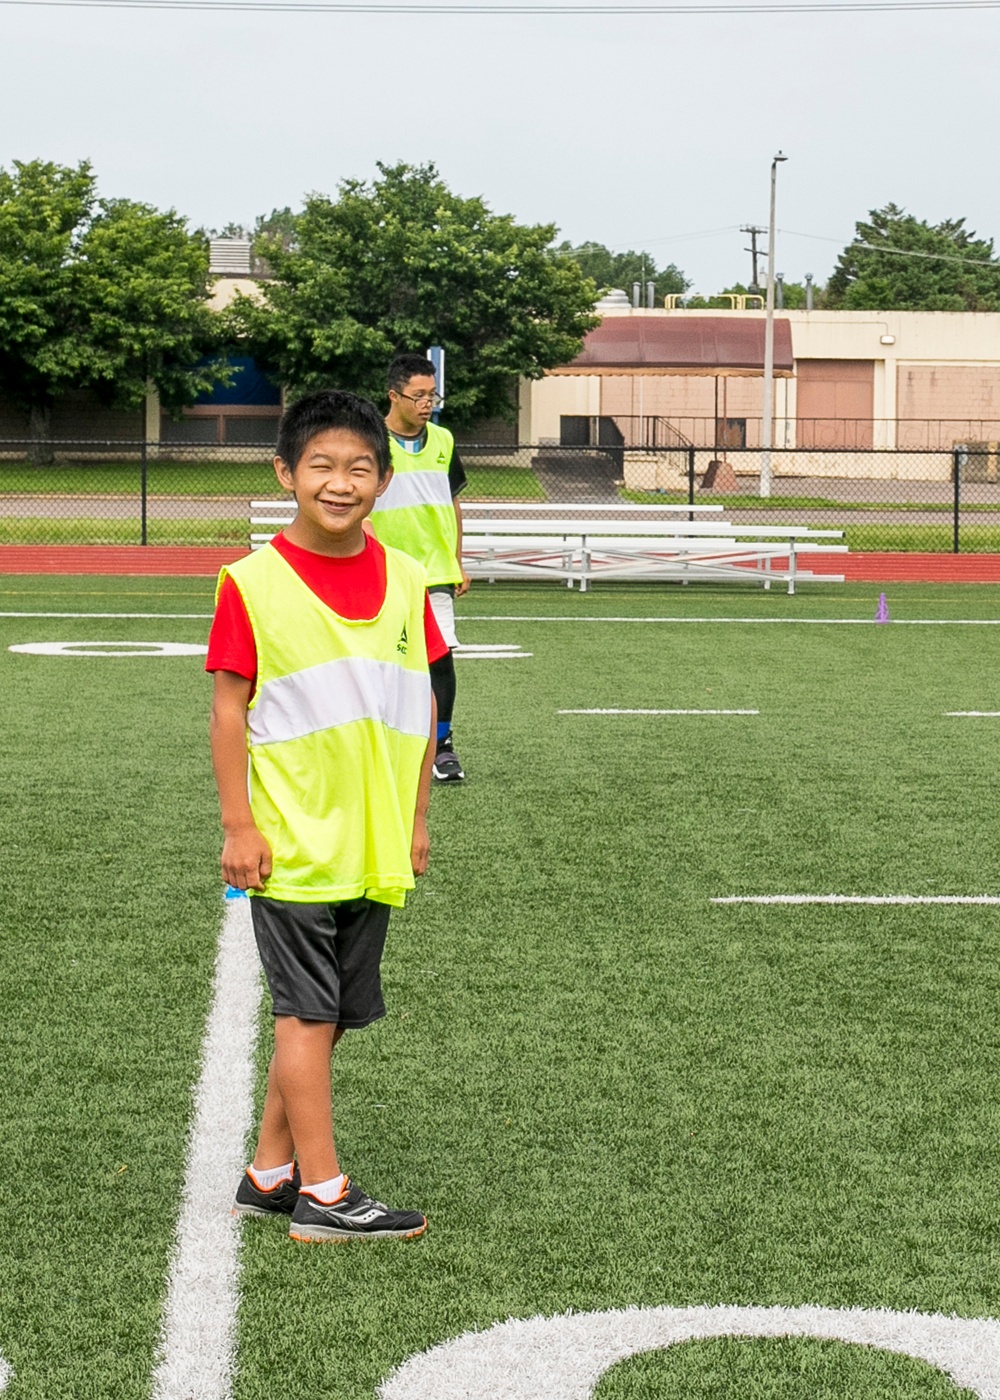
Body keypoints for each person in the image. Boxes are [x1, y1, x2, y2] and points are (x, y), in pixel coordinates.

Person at [206, 389, 447, 1243]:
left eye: (358, 468)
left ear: (383, 479)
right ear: (285, 473)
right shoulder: (252, 583)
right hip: (294, 842)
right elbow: (229, 711)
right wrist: (240, 826)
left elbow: (419, 705)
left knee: (331, 1013)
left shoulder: (408, 581)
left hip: (374, 840)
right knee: (308, 1013)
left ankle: (270, 1174)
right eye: (321, 466)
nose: (340, 483)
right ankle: (326, 1194)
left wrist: (416, 818)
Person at [370, 352, 470, 783]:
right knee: (380, 661)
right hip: (384, 571)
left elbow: (452, 502)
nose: (428, 402)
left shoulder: (444, 442)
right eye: (419, 395)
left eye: (433, 395)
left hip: (435, 573)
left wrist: (458, 559)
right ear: (394, 396)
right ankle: (381, 745)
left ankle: (441, 748)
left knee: (440, 659)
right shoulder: (372, 441)